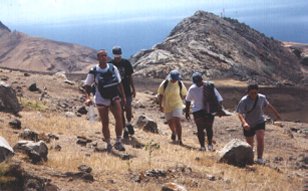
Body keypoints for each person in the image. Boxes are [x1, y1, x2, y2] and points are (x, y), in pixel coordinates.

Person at [83, 49, 126, 152]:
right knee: (105, 122)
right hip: (100, 98)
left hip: (114, 96)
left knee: (119, 118)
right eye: (101, 56)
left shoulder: (113, 68)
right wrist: (88, 98)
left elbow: (119, 83)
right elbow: (87, 85)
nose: (103, 57)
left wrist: (123, 97)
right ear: (98, 58)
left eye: (105, 55)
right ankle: (108, 143)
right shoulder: (93, 70)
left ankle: (118, 141)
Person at [236, 83, 281, 164]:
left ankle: (260, 158)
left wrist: (276, 114)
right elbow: (240, 113)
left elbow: (268, 105)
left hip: (259, 121)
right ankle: (250, 157)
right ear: (248, 92)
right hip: (248, 123)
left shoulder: (262, 98)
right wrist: (244, 123)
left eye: (255, 93)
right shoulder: (244, 100)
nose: (253, 95)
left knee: (260, 138)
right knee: (250, 143)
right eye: (251, 93)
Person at [185, 72, 223, 151]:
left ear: (202, 79)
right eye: (197, 82)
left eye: (199, 81)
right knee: (200, 129)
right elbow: (187, 101)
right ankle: (203, 146)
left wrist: (218, 109)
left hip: (208, 110)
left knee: (208, 128)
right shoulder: (192, 89)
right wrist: (187, 112)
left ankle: (209, 144)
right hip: (198, 111)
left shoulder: (209, 86)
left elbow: (219, 99)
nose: (198, 83)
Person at [109, 46, 136, 139]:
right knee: (120, 112)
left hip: (127, 90)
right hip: (115, 92)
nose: (118, 57)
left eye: (119, 55)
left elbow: (130, 76)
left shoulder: (126, 63)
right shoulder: (110, 64)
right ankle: (125, 129)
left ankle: (129, 123)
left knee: (128, 108)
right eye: (116, 56)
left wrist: (133, 88)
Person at [157, 70, 187, 145]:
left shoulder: (180, 83)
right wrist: (160, 105)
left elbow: (184, 94)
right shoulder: (165, 83)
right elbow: (160, 94)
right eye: (173, 79)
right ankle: (174, 132)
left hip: (177, 104)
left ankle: (180, 140)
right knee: (170, 122)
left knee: (177, 120)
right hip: (167, 105)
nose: (174, 81)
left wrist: (185, 103)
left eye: (176, 79)